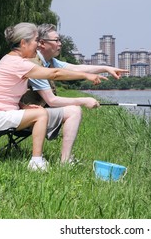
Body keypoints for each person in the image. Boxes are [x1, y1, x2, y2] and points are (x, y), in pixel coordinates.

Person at [0, 22, 108, 171]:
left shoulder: (14, 60)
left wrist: (24, 107)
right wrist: (86, 75)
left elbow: (5, 95)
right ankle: (36, 162)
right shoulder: (17, 63)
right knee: (40, 113)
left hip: (4, 113)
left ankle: (65, 161)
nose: (38, 45)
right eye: (35, 40)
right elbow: (55, 73)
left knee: (71, 111)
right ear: (23, 43)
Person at [20, 24, 128, 166]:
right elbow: (51, 100)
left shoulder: (49, 61)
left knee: (74, 109)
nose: (60, 44)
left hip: (34, 111)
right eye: (56, 40)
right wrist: (84, 100)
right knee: (74, 111)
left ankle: (66, 159)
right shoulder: (35, 65)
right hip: (23, 115)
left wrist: (106, 68)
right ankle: (65, 161)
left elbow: (76, 68)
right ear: (41, 43)